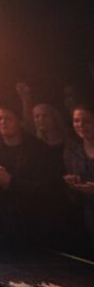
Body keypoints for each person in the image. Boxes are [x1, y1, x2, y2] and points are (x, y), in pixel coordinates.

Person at [0, 104, 62, 244]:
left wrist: (12, 182)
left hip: (34, 220)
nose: (3, 122)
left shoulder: (39, 149)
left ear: (19, 121)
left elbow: (47, 187)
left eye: (7, 118)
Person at [63, 104, 94, 253]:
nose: (80, 125)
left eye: (86, 121)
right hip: (86, 218)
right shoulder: (72, 150)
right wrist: (73, 185)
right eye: (76, 120)